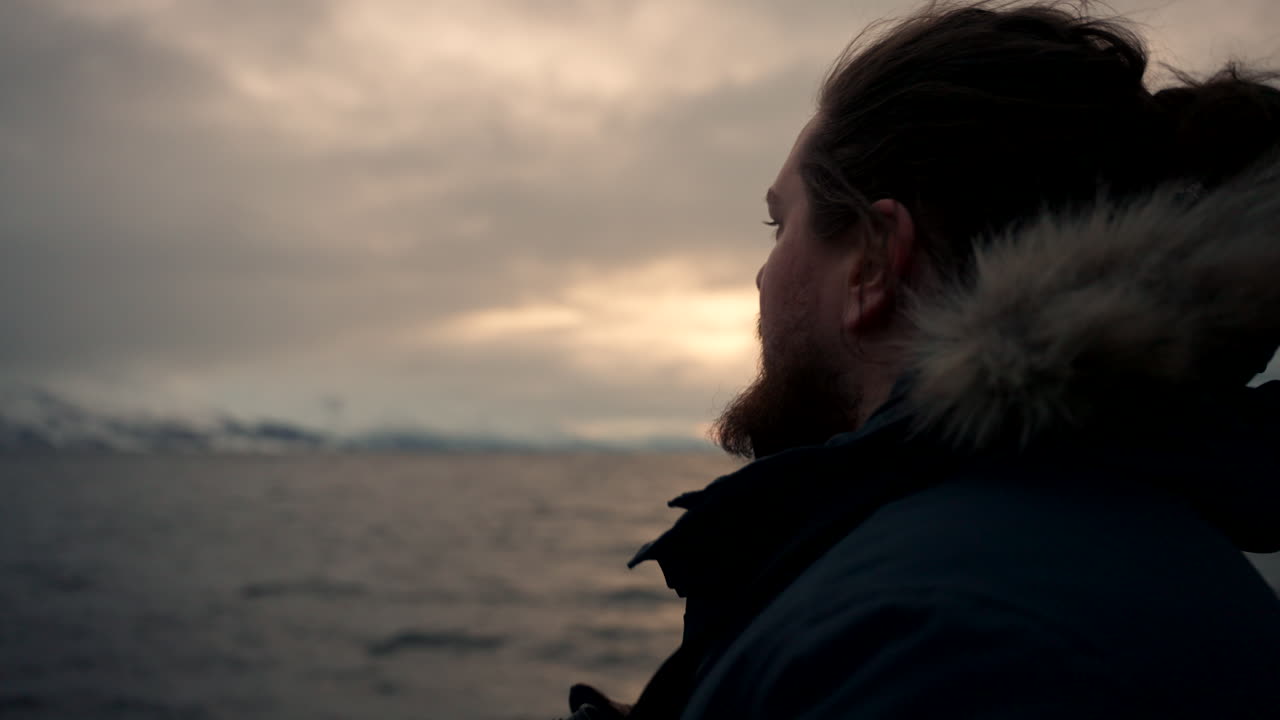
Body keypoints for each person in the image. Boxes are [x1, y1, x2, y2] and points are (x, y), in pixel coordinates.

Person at [562, 2, 1280, 717]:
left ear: (873, 261)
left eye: (779, 225)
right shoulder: (1083, 554)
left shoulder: (935, 637)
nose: (763, 273)